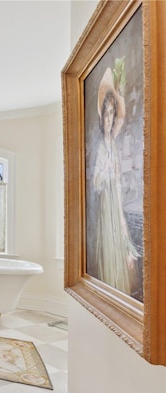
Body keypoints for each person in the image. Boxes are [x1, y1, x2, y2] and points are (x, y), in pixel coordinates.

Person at [91, 67, 139, 295]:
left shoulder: (115, 148)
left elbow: (118, 185)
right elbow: (95, 184)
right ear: (102, 117)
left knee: (123, 249)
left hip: (115, 205)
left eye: (112, 113)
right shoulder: (101, 147)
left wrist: (121, 217)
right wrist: (105, 173)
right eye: (106, 114)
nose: (109, 119)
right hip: (105, 209)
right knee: (108, 252)